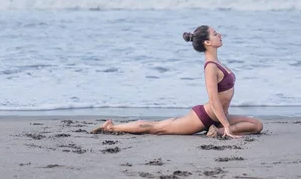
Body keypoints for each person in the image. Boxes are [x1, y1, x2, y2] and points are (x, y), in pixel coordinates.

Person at [90, 25, 263, 138]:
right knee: (157, 128)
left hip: (219, 117)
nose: (220, 35)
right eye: (216, 34)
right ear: (207, 42)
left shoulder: (218, 62)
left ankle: (216, 131)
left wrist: (222, 125)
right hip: (204, 117)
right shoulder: (210, 67)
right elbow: (213, 99)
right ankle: (112, 127)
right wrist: (227, 125)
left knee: (256, 125)